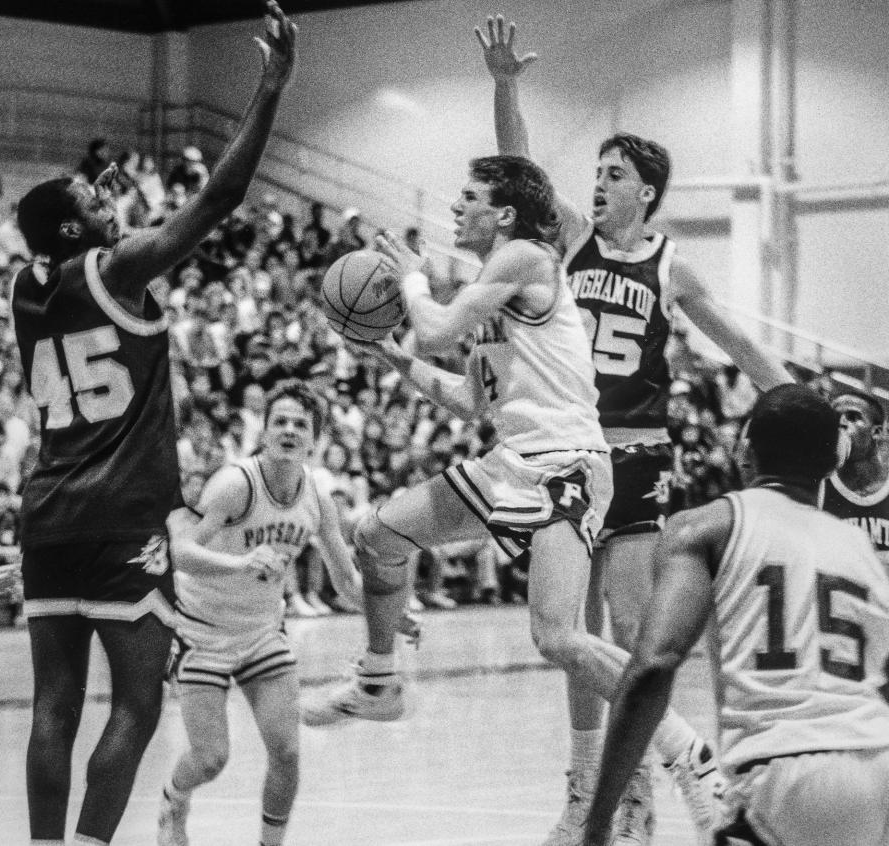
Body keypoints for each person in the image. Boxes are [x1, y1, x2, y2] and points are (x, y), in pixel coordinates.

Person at [303, 155, 708, 843]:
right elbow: (467, 402)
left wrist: (408, 275)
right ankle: (379, 682)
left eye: (470, 199)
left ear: (506, 214)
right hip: (512, 461)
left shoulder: (524, 257)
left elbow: (434, 327)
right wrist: (393, 358)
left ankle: (683, 750)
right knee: (379, 534)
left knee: (558, 637)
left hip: (569, 463)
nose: (456, 210)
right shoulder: (492, 298)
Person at [477, 16, 794, 841]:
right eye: (597, 172)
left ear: (646, 191)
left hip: (639, 458)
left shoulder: (668, 265)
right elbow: (522, 173)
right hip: (566, 456)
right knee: (572, 639)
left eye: (613, 174)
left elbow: (740, 344)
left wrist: (804, 401)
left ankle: (657, 782)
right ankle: (596, 792)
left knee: (630, 630)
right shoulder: (570, 244)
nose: (598, 183)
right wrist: (507, 85)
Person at [11, 6, 296, 845]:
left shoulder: (26, 291)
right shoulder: (116, 268)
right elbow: (221, 197)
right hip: (122, 518)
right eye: (93, 200)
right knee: (136, 702)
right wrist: (270, 88)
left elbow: (51, 242)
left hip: (48, 516)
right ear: (77, 231)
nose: (108, 200)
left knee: (53, 704)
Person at [583, 384, 889, 846]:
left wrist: (598, 820)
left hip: (784, 770)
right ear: (831, 462)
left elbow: (654, 664)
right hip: (876, 769)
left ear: (745, 449)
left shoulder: (706, 526)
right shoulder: (859, 549)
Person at [157, 380, 366, 846]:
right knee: (210, 759)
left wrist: (388, 618)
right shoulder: (235, 484)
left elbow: (346, 580)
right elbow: (181, 552)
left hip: (261, 632)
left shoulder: (316, 496)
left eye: (301, 424)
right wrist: (240, 562)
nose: (290, 430)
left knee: (288, 751)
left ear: (316, 438)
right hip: (200, 629)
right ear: (265, 430)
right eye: (281, 421)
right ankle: (174, 797)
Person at [820, 389, 889, 567]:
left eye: (852, 417)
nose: (841, 423)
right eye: (835, 418)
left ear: (877, 432)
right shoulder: (818, 486)